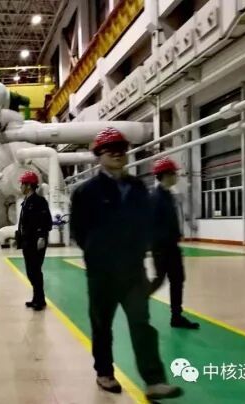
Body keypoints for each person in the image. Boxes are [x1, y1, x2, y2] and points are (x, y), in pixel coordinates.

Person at [70, 127, 183, 400]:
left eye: (121, 148)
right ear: (99, 154)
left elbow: (146, 223)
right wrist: (97, 255)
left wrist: (141, 250)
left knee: (141, 324)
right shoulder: (86, 191)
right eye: (110, 149)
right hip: (102, 274)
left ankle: (154, 381)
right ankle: (104, 373)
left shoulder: (137, 187)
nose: (118, 153)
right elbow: (79, 231)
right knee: (102, 326)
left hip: (133, 271)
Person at [149, 157, 199, 329]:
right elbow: (151, 224)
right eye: (173, 173)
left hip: (171, 247)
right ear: (165, 175)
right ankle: (136, 303)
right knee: (159, 279)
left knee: (177, 280)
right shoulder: (155, 198)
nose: (176, 176)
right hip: (162, 248)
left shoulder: (167, 195)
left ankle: (176, 317)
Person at [15, 171, 52, 311]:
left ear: (29, 185)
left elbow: (46, 221)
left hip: (36, 241)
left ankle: (40, 300)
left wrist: (41, 237)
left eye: (22, 184)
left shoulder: (39, 201)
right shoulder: (26, 202)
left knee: (35, 271)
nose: (20, 186)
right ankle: (37, 298)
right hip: (27, 242)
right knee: (31, 271)